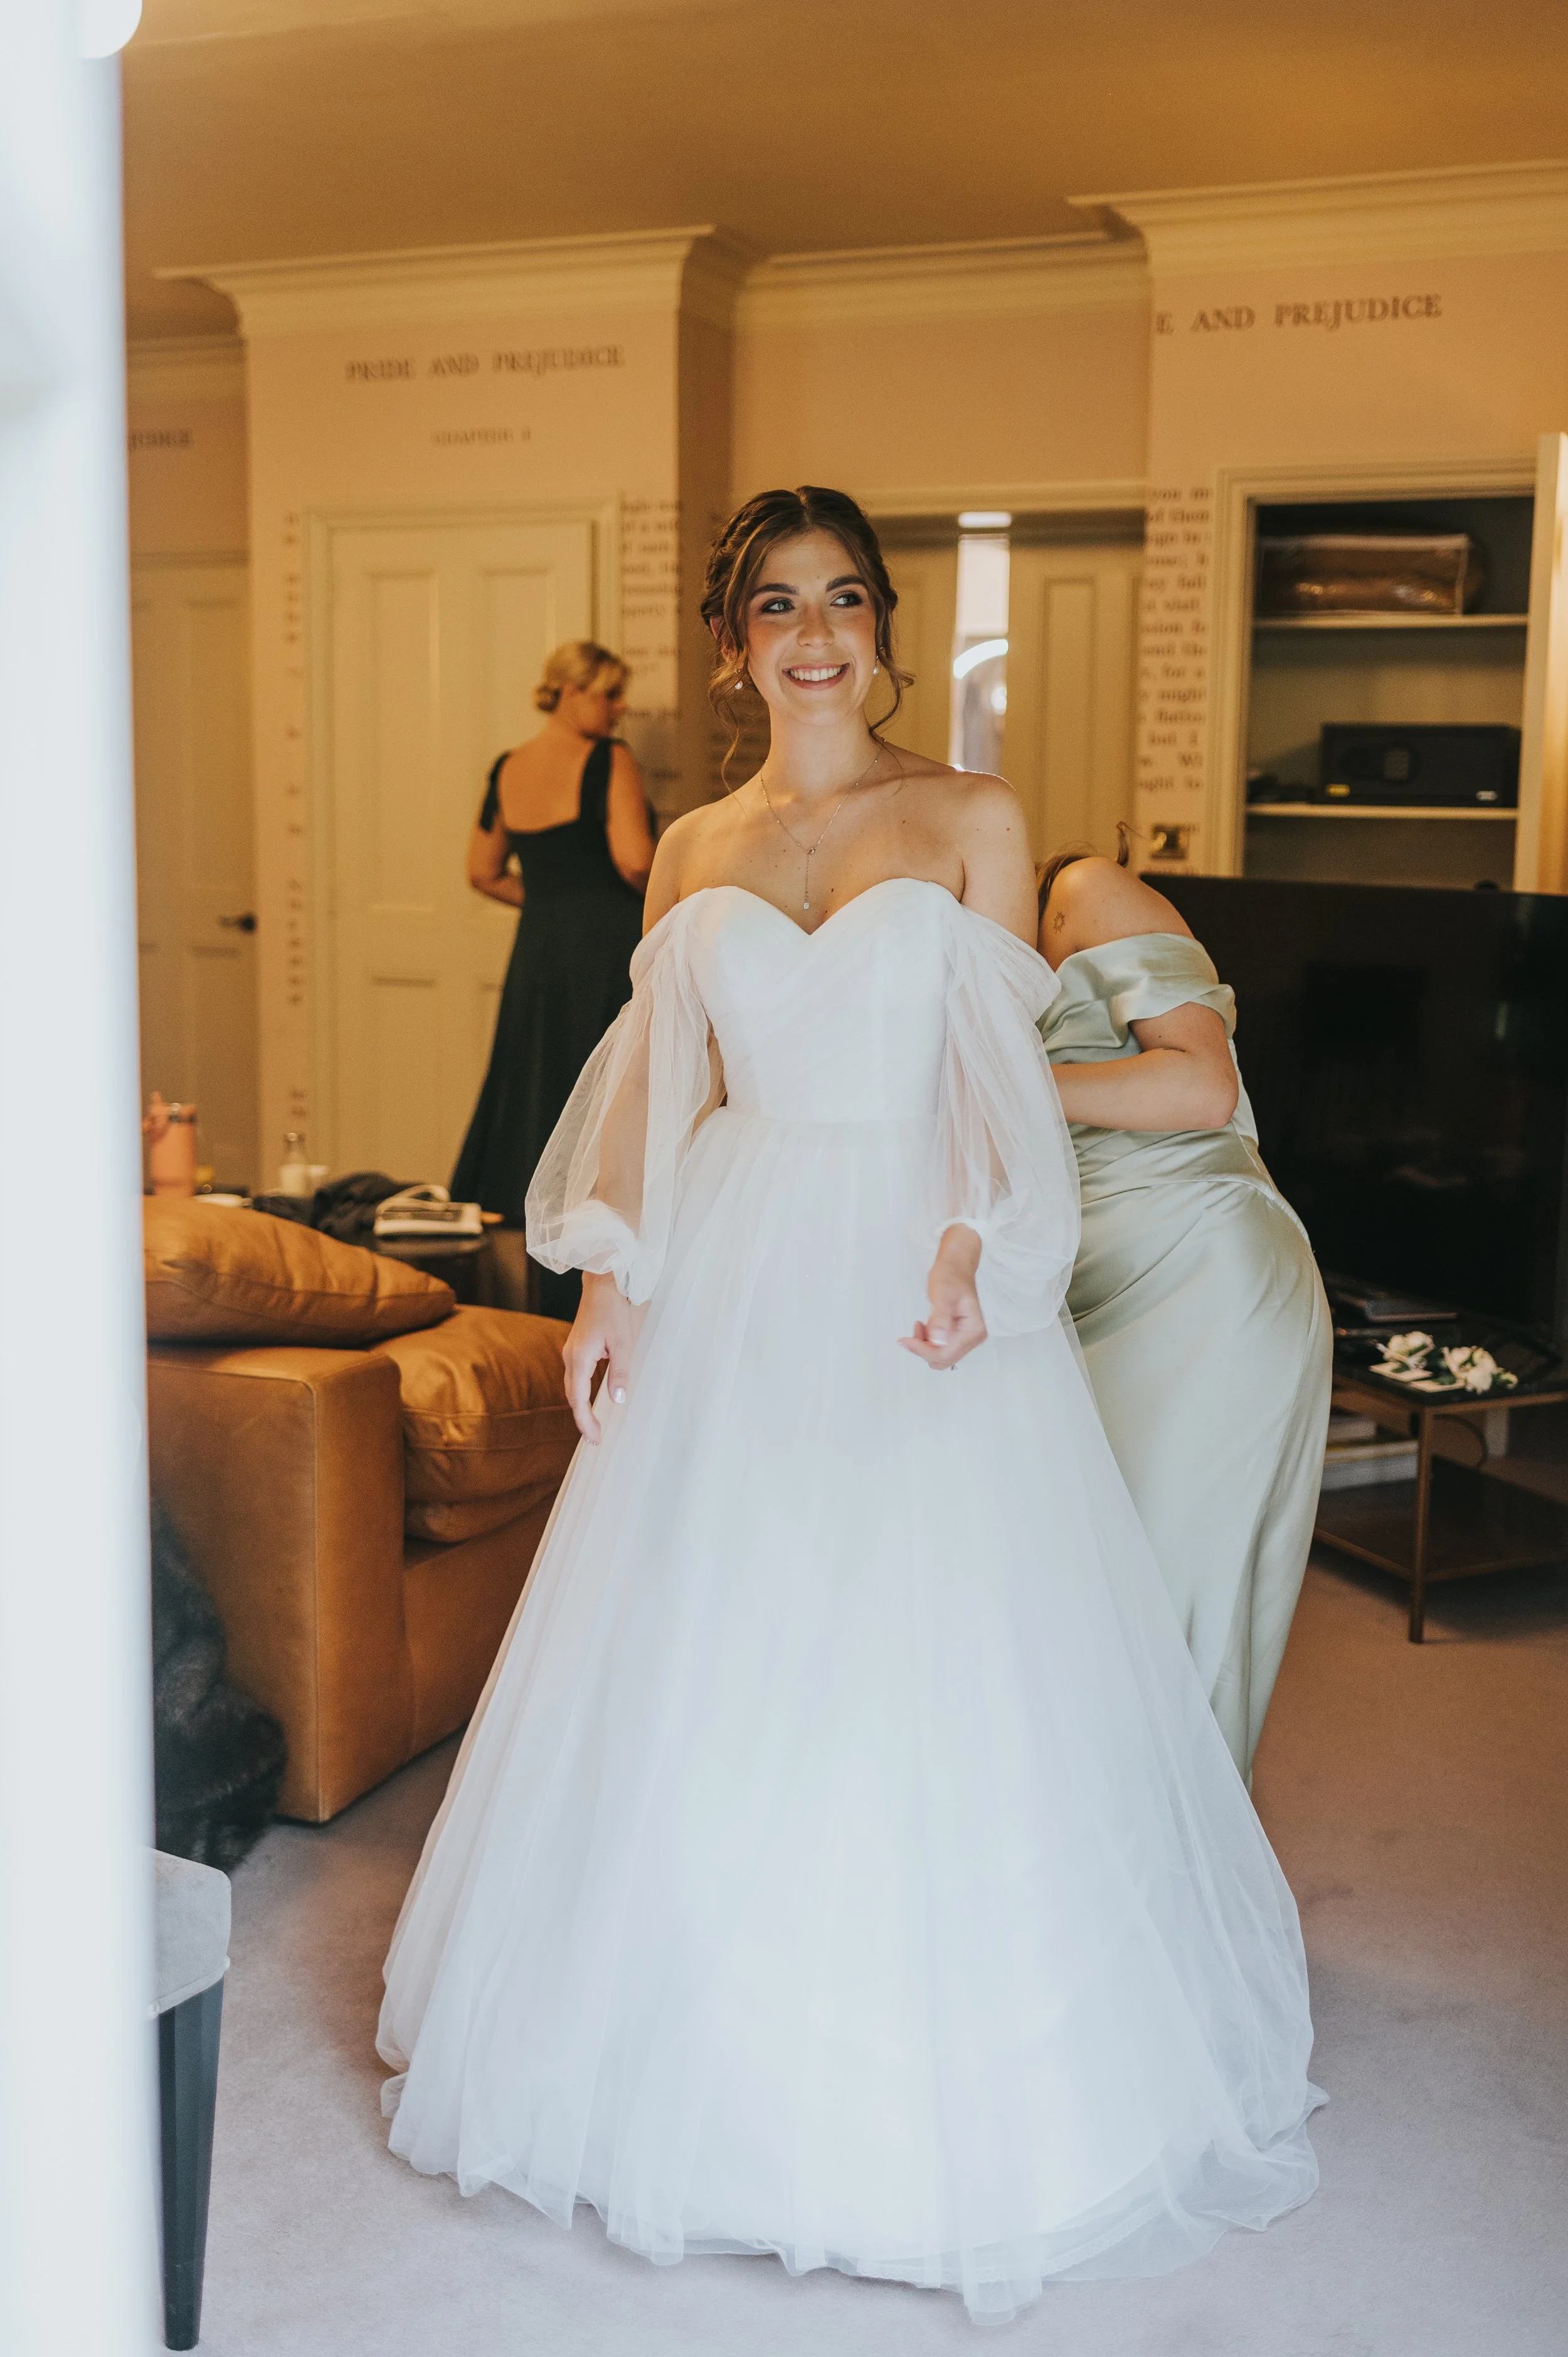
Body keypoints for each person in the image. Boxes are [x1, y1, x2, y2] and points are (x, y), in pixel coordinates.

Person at [379, 487, 1320, 2326]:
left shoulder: (967, 815)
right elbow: (664, 1084)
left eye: (838, 599)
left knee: (926, 1648)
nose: (808, 632)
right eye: (768, 606)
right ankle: (678, 2064)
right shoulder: (691, 847)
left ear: (880, 623)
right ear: (729, 645)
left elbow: (988, 1066)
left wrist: (980, 1240)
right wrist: (606, 1283)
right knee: (708, 1639)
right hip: (733, 1261)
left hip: (906, 1253)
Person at [1038, 838, 1332, 1780]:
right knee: (1082, 1604)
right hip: (1082, 1296)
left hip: (1205, 1276)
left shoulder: (1086, 892)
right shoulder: (967, 960)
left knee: (1167, 1616)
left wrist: (1004, 1088)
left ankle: (1178, 1895)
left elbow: (1204, 1085)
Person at [452, 640, 655, 1319]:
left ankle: (534, 1286)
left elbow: (481, 871)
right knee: (605, 1097)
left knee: (540, 1092)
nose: (619, 708)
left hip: (539, 950)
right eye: (608, 692)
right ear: (568, 691)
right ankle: (599, 1272)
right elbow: (633, 860)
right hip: (604, 947)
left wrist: (546, 905)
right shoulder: (609, 760)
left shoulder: (508, 768)